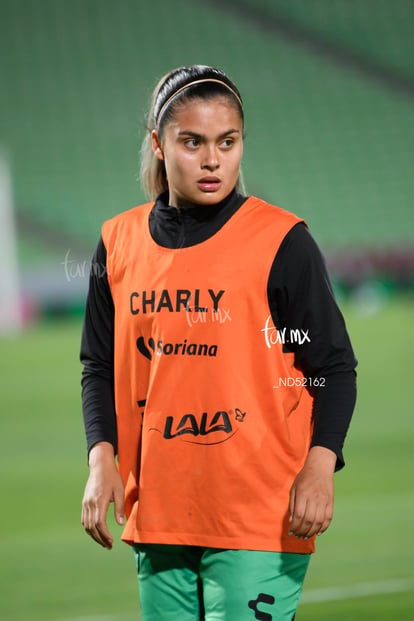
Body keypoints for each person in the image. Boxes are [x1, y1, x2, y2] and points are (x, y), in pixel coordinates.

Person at [80, 64, 357, 621]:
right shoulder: (119, 243)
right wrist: (100, 457)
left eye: (227, 143)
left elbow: (331, 365)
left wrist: (321, 465)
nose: (212, 160)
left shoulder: (280, 241)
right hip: (159, 511)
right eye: (193, 142)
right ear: (159, 145)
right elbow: (99, 365)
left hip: (259, 511)